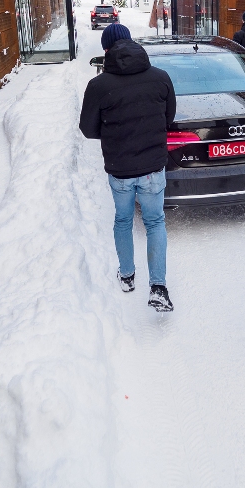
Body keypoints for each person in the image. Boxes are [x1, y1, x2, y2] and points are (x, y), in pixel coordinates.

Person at [79, 22, 177, 312]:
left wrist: (113, 132)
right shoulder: (161, 78)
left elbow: (87, 128)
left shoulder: (98, 86)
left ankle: (127, 276)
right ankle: (158, 286)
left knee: (122, 220)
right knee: (155, 221)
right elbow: (168, 118)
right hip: (152, 168)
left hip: (119, 169)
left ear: (106, 50)